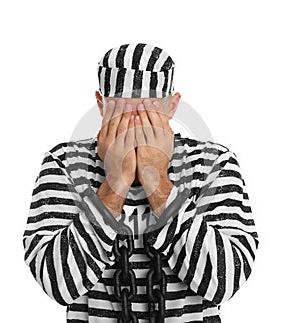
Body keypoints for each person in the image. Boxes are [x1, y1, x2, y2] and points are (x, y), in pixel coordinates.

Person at [23, 43, 259, 322]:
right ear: (101, 105)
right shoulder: (64, 163)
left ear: (172, 106)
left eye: (149, 111)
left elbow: (225, 280)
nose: (136, 123)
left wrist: (157, 180)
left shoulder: (213, 163)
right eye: (122, 109)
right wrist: (115, 183)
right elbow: (58, 283)